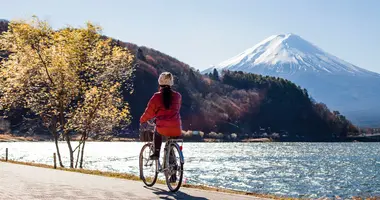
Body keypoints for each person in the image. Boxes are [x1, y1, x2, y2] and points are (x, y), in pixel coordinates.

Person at [140, 72, 182, 160]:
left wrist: (142, 120)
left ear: (159, 82)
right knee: (170, 143)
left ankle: (156, 153)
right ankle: (172, 166)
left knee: (157, 132)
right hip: (177, 128)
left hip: (162, 128)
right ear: (171, 83)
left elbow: (149, 112)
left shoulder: (156, 97)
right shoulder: (177, 96)